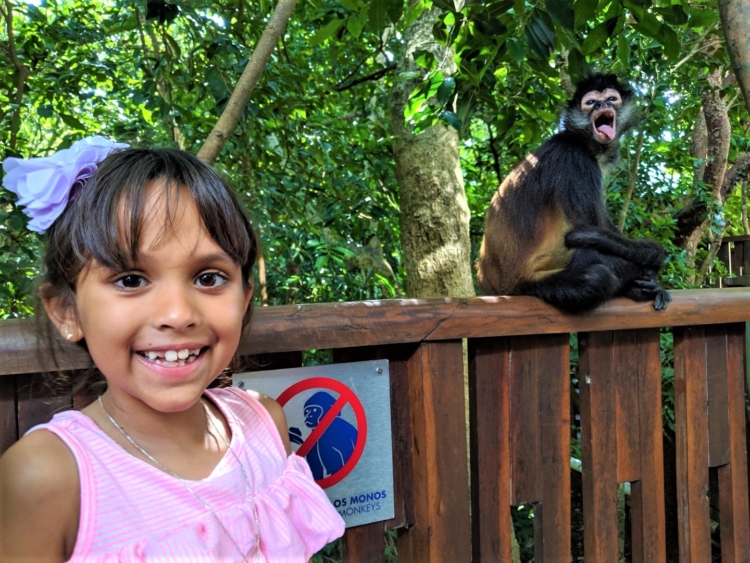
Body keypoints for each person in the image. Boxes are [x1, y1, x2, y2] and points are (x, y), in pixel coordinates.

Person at [0, 138, 345, 562]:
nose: (178, 314)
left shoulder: (264, 422)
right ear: (66, 312)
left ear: (244, 296)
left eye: (208, 277)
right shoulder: (48, 476)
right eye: (130, 280)